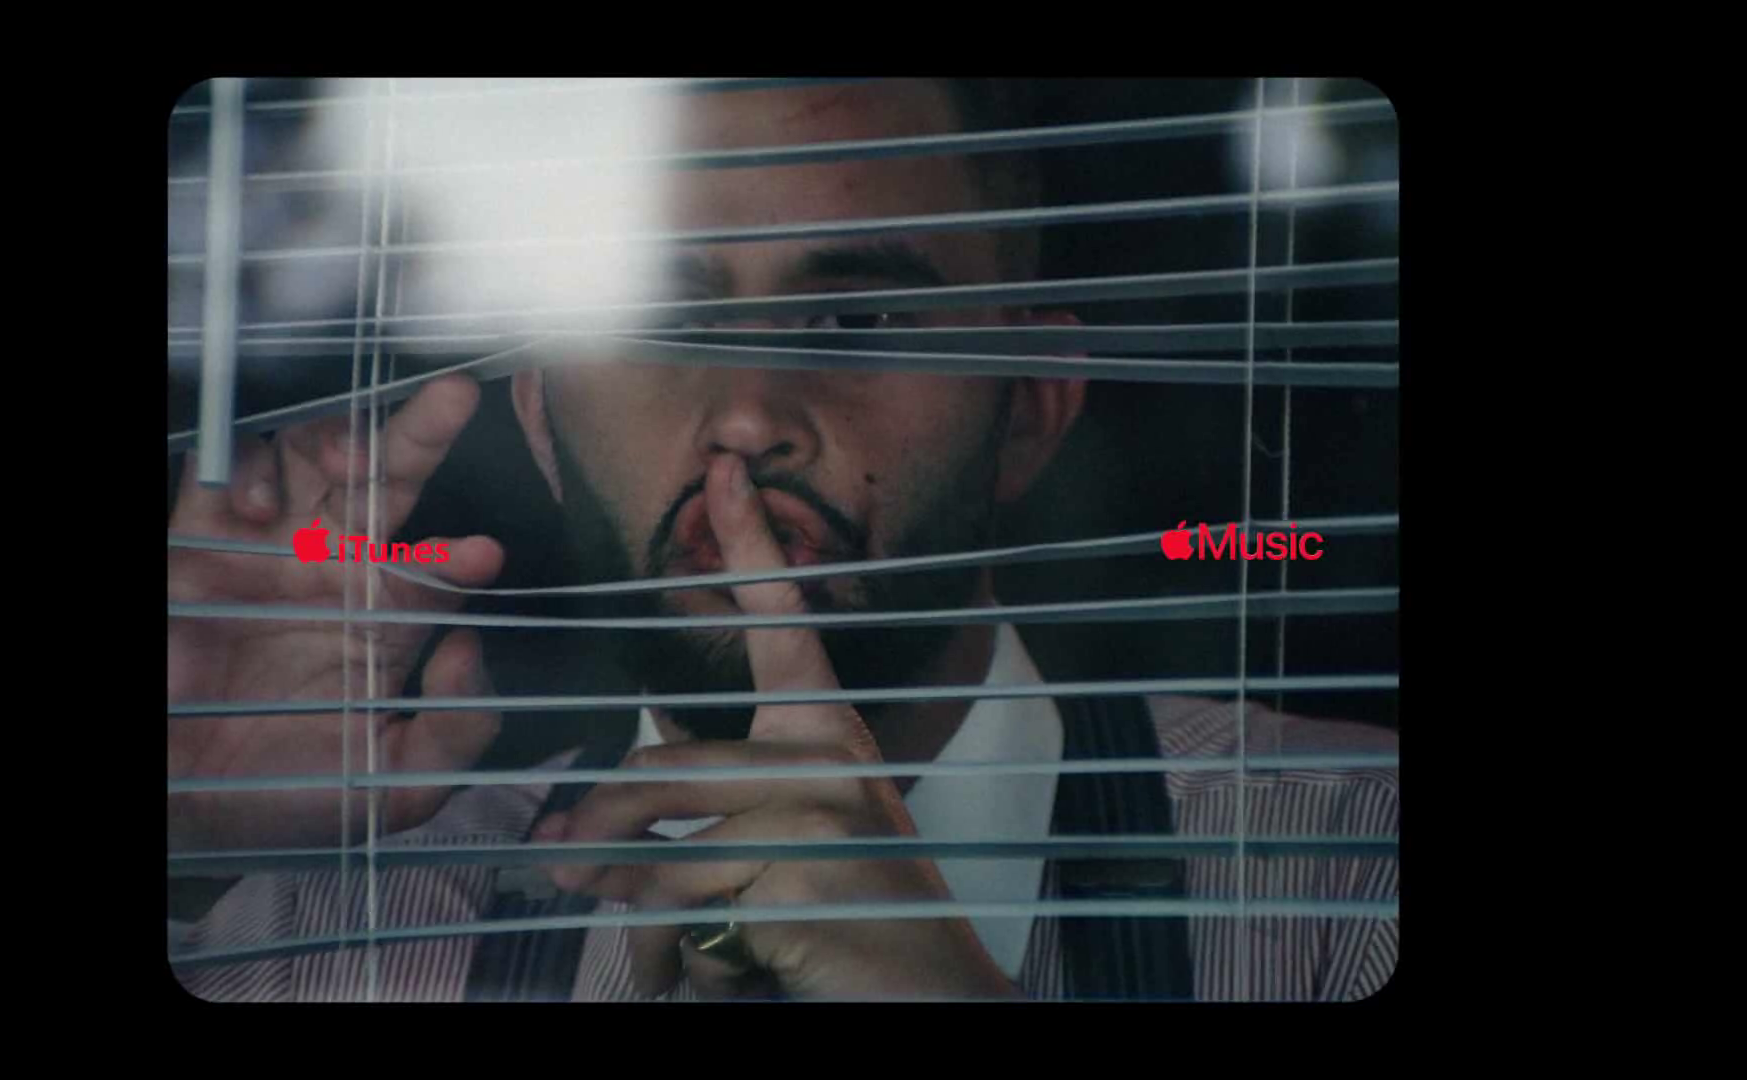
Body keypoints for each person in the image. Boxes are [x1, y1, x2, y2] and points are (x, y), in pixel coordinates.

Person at [166, 77, 1398, 1002]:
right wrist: (192, 838)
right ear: (541, 422)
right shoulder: (322, 933)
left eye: (856, 318)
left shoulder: (1352, 876)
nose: (749, 418)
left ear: (1029, 406)